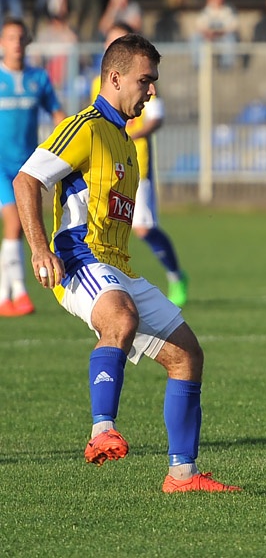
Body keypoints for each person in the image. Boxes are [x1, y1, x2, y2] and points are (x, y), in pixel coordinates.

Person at [13, 33, 239, 493]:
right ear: (115, 78)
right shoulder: (86, 126)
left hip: (118, 266)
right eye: (145, 80)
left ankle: (182, 476)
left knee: (186, 355)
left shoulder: (124, 139)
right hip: (77, 257)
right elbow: (27, 179)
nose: (151, 90)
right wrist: (39, 249)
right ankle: (102, 430)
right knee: (120, 316)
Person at [92, 22, 189, 306]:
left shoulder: (146, 82)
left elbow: (156, 119)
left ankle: (175, 275)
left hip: (137, 164)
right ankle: (107, 287)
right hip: (104, 165)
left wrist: (132, 132)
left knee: (143, 228)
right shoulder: (97, 83)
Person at [0, 18, 66, 317]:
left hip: (27, 168)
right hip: (1, 166)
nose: (15, 43)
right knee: (14, 223)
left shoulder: (38, 78)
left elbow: (57, 114)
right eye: (10, 37)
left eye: (20, 37)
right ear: (2, 43)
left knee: (27, 226)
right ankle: (20, 293)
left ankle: (5, 295)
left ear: (26, 43)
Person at [192, 0, 239, 69]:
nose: (215, 1)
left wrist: (220, 32)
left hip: (222, 37)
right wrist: (207, 33)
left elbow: (233, 26)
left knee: (230, 39)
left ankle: (226, 65)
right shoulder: (206, 11)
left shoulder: (227, 11)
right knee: (195, 38)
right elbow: (199, 25)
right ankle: (199, 65)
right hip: (208, 38)